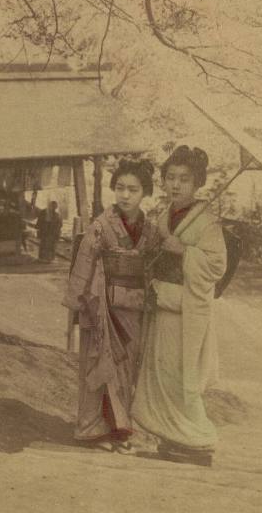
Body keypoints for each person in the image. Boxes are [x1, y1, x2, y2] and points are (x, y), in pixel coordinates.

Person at [132, 145, 227, 466]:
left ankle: (198, 441)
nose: (176, 185)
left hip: (185, 309)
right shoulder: (164, 215)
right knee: (161, 371)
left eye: (184, 179)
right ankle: (173, 439)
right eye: (170, 177)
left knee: (180, 376)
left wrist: (184, 251)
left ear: (197, 183)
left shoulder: (206, 221)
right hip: (162, 302)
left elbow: (216, 266)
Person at [63, 159, 159, 452]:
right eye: (120, 188)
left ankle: (119, 429)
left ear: (145, 192)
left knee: (125, 371)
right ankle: (91, 428)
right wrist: (79, 303)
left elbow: (155, 268)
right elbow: (83, 263)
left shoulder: (152, 230)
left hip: (134, 308)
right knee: (97, 364)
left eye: (133, 189)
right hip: (101, 304)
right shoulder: (101, 226)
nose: (125, 195)